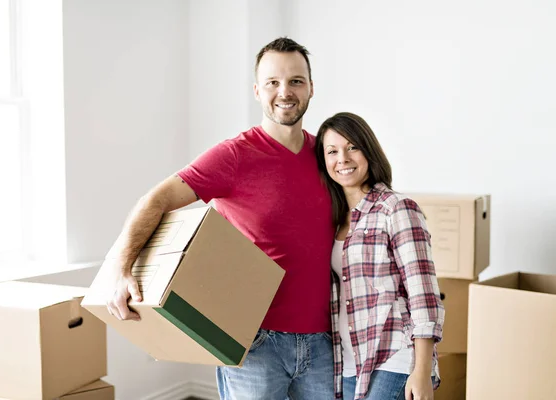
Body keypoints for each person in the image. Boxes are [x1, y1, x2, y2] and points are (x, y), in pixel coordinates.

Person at [104, 37, 335, 399]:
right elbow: (156, 200)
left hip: (324, 342)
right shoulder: (235, 156)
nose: (285, 91)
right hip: (254, 342)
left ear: (311, 88)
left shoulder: (327, 156)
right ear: (257, 91)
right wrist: (122, 269)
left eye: (295, 81)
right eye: (273, 82)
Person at [314, 112, 445, 400]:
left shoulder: (397, 209)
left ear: (368, 150)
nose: (343, 159)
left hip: (395, 357)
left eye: (352, 147)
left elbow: (423, 295)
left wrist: (421, 371)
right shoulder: (334, 221)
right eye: (332, 151)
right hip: (349, 363)